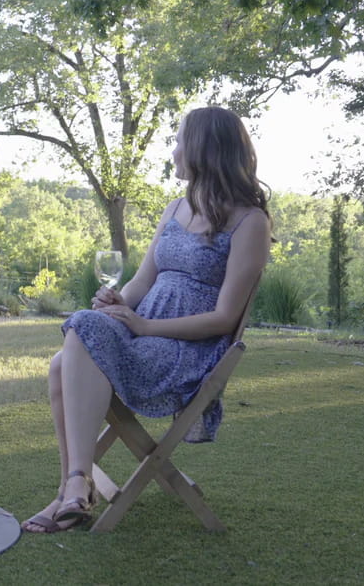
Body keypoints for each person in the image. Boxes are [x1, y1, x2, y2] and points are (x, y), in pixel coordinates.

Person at [21, 106, 272, 534]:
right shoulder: (176, 207)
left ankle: (74, 487)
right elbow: (140, 284)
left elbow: (225, 318)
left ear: (203, 150)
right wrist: (119, 301)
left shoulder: (250, 222)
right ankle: (72, 488)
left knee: (76, 342)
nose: (173, 152)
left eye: (178, 142)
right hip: (144, 333)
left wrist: (143, 326)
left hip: (187, 352)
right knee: (65, 357)